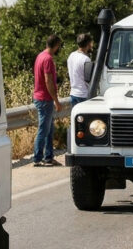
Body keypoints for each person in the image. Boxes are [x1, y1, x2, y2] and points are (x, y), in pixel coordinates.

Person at [33, 34, 63, 167]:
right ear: (56, 45)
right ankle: (37, 158)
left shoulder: (40, 56)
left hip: (40, 97)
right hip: (45, 99)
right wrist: (56, 100)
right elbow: (48, 81)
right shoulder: (48, 59)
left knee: (49, 129)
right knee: (44, 129)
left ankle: (49, 157)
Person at [67, 33, 94, 108]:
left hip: (73, 93)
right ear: (88, 44)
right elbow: (89, 78)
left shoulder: (71, 55)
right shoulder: (86, 59)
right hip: (83, 94)